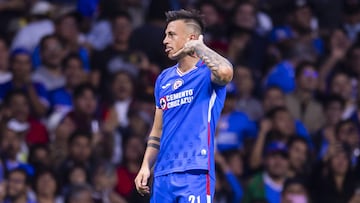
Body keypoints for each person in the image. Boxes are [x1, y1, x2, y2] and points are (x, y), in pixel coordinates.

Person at [134, 9, 233, 202]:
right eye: (165, 35)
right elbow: (157, 130)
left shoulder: (207, 73)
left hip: (195, 171)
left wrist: (199, 48)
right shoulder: (163, 79)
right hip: (163, 174)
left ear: (191, 38)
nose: (164, 40)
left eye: (171, 34)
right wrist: (146, 165)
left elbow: (225, 72)